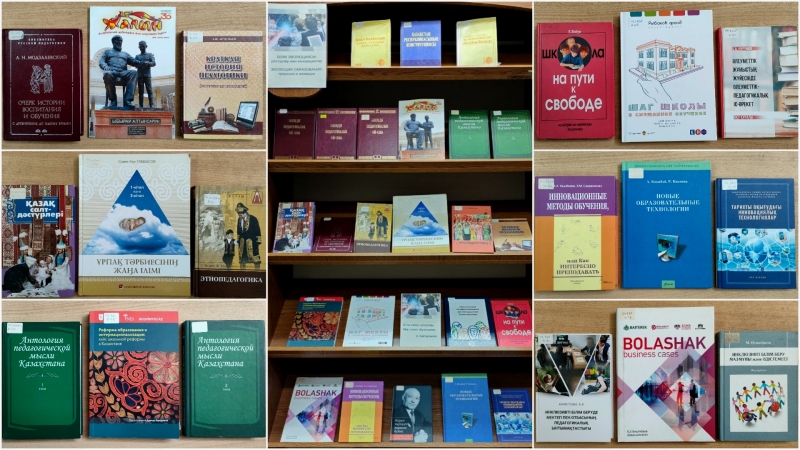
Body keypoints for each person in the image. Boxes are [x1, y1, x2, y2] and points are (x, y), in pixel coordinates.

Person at [99, 35, 141, 108]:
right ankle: (113, 100)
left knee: (134, 73)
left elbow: (133, 61)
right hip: (112, 71)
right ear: (113, 42)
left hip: (123, 72)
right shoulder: (107, 52)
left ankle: (128, 100)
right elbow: (101, 61)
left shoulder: (125, 54)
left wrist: (139, 62)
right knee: (107, 74)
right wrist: (105, 67)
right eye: (117, 41)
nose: (119, 43)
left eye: (121, 41)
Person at [236, 203, 261, 269]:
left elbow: (257, 231)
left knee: (255, 259)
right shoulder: (239, 220)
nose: (239, 216)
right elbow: (238, 231)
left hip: (252, 242)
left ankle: (257, 272)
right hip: (242, 243)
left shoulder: (253, 219)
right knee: (242, 260)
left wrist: (257, 242)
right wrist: (238, 240)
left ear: (245, 213)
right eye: (239, 215)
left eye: (241, 215)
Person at [134, 41, 156, 108]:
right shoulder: (137, 56)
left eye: (143, 46)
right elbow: (134, 64)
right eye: (140, 46)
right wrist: (138, 64)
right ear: (139, 47)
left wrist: (148, 63)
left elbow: (154, 63)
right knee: (141, 91)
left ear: (146, 46)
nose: (142, 48)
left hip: (147, 75)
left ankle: (152, 105)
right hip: (140, 75)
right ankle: (141, 105)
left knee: (149, 90)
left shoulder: (149, 55)